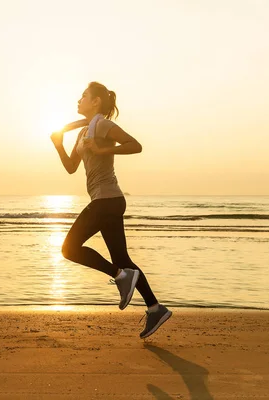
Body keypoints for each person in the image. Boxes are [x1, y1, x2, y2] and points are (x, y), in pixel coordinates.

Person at [50, 82, 171, 339]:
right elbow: (72, 167)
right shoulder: (83, 132)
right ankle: (155, 308)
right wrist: (59, 144)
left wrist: (104, 148)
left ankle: (119, 276)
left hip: (106, 200)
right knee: (124, 261)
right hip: (108, 200)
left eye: (83, 96)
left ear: (96, 102)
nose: (78, 99)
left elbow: (134, 145)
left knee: (69, 248)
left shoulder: (102, 125)